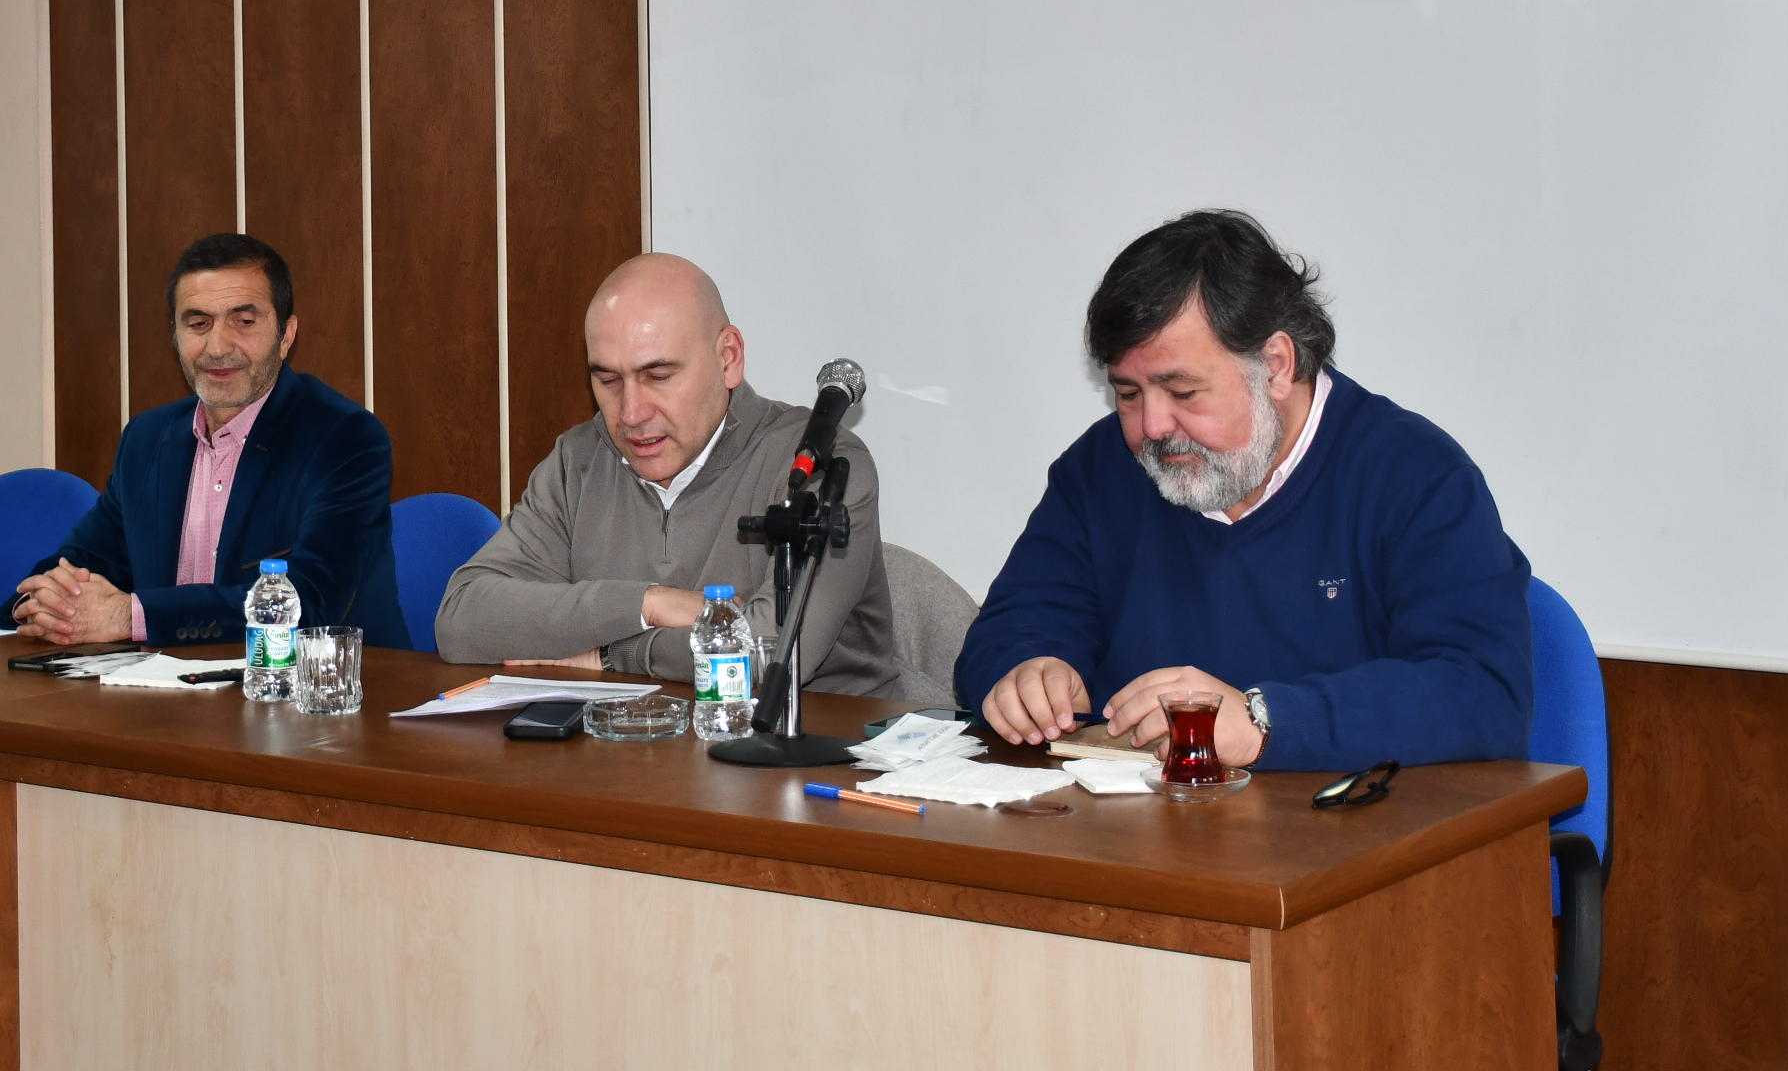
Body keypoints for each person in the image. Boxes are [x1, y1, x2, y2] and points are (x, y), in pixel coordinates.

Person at [954, 210, 1531, 773]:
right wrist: (1026, 672)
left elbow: (1483, 692)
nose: (1152, 426)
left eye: (1183, 392)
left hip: (1346, 824)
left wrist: (1266, 721)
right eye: (1128, 394)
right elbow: (1009, 630)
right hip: (1135, 824)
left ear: (1275, 365)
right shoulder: (1099, 470)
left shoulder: (1414, 475)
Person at [436, 253, 898, 695]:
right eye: (608, 381)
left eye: (658, 376)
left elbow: (767, 652)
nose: (631, 414)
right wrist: (649, 603)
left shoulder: (823, 464)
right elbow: (461, 621)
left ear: (728, 358)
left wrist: (613, 654)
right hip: (640, 739)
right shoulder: (578, 461)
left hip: (821, 739)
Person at [6, 233, 403, 647]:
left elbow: (311, 601)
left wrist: (130, 617)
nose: (217, 347)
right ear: (175, 335)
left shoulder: (345, 438)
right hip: (164, 679)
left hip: (322, 681)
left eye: (243, 322)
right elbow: (84, 561)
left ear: (286, 335)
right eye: (198, 324)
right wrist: (41, 603)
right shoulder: (147, 439)